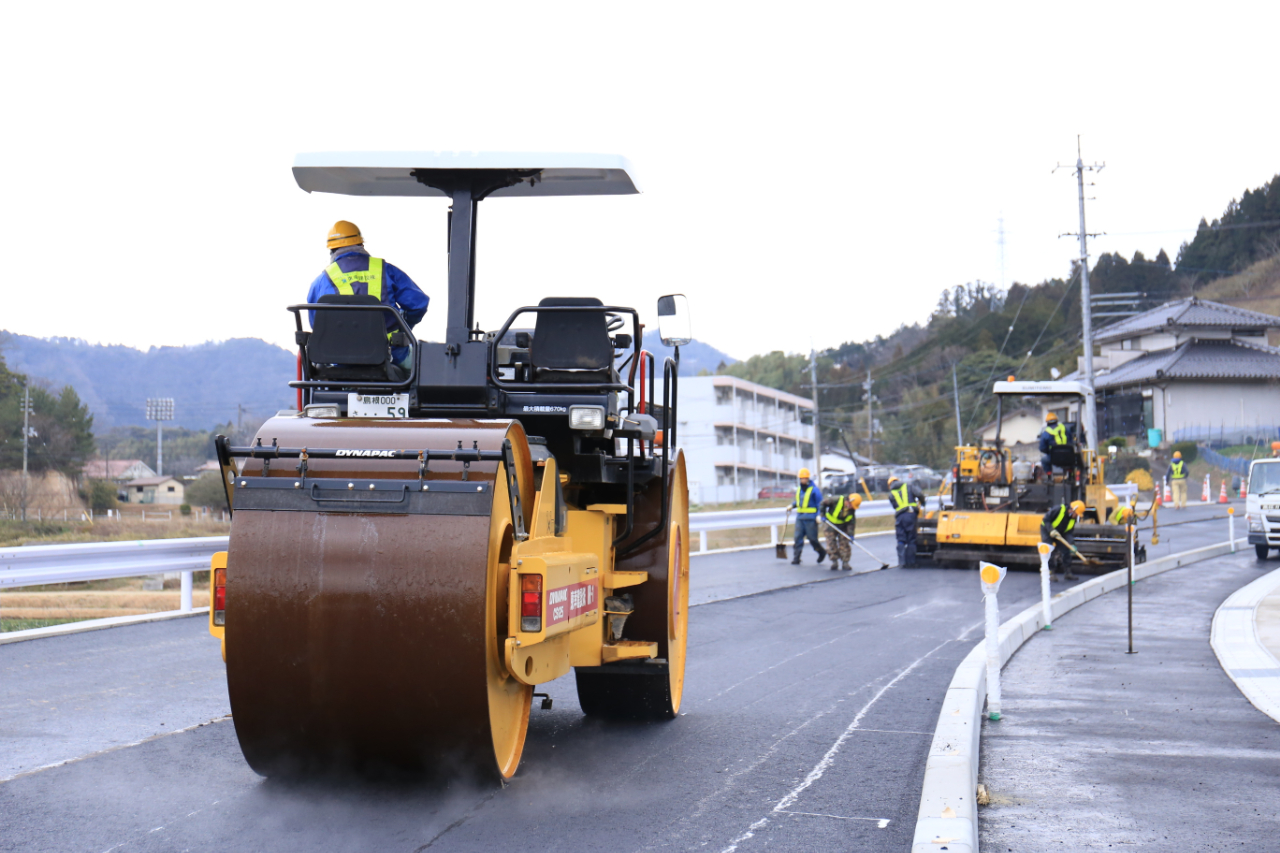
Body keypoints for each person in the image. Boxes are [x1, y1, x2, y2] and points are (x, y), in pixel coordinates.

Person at [306, 220, 429, 369]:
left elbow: (317, 324)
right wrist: (403, 326)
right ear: (361, 245)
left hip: (340, 360)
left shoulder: (321, 281)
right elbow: (418, 304)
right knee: (425, 369)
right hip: (390, 355)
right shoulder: (385, 270)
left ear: (332, 251)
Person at [1042, 499, 1086, 582]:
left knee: (1066, 550)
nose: (1077, 516)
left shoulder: (1072, 519)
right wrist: (1051, 530)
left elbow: (1069, 532)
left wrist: (1071, 544)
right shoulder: (1058, 509)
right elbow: (1046, 519)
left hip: (1060, 533)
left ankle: (1068, 573)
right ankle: (1051, 573)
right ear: (1072, 510)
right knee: (1049, 550)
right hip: (1047, 530)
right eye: (1077, 514)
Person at [790, 468, 826, 565]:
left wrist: (819, 515)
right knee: (797, 538)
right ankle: (796, 557)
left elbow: (820, 503)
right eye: (802, 478)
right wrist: (792, 505)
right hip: (800, 518)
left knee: (812, 539)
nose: (803, 480)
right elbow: (799, 502)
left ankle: (821, 552)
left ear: (808, 478)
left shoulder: (814, 490)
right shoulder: (799, 489)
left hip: (811, 519)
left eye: (805, 478)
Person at [888, 475, 924, 568]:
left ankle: (902, 563)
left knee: (901, 539)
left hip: (900, 517)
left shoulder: (891, 494)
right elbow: (919, 494)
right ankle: (911, 562)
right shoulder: (908, 486)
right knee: (911, 539)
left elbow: (895, 506)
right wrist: (922, 502)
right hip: (911, 514)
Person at [820, 492, 861, 571]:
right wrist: (822, 515)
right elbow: (823, 503)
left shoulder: (852, 510)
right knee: (831, 543)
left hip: (843, 526)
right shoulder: (836, 500)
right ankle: (834, 561)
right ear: (849, 501)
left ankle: (845, 562)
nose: (853, 508)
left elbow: (851, 522)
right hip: (830, 524)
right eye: (853, 505)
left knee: (844, 543)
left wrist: (851, 534)